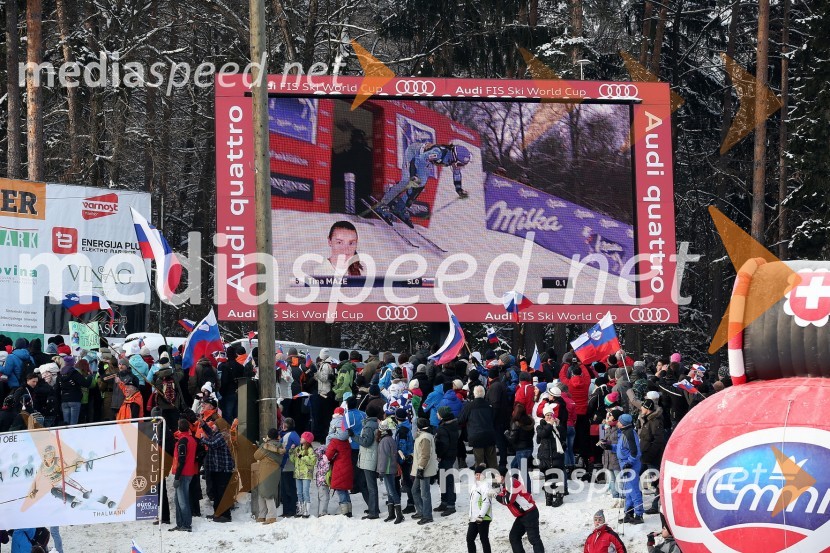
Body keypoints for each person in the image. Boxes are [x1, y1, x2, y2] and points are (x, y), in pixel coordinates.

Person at [375, 142, 472, 227]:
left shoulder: (453, 160)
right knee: (406, 181)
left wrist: (459, 190)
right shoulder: (438, 153)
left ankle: (400, 207)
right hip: (413, 154)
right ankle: (382, 204)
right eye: (459, 164)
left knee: (421, 184)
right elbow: (417, 159)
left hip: (424, 161)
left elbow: (457, 174)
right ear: (454, 157)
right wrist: (413, 176)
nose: (459, 167)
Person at [495, 473, 544, 553]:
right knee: (514, 536)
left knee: (534, 538)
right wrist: (497, 495)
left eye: (496, 476)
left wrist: (495, 496)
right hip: (523, 515)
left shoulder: (511, 483)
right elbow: (503, 497)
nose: (495, 478)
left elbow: (508, 500)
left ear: (502, 476)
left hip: (529, 513)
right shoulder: (505, 484)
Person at [200, 415, 235, 522]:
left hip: (223, 470)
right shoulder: (218, 434)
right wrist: (204, 425)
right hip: (217, 469)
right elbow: (211, 434)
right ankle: (218, 514)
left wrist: (202, 439)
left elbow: (212, 443)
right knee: (217, 493)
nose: (213, 426)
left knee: (222, 493)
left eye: (215, 424)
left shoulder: (223, 436)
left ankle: (225, 515)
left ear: (220, 426)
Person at [170, 419, 198, 532]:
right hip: (188, 472)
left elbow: (181, 460)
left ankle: (186, 525)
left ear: (179, 428)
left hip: (182, 474)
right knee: (178, 500)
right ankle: (181, 524)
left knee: (182, 501)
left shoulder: (183, 441)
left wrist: (177, 477)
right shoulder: (191, 439)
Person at [460, 385, 498, 469]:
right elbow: (494, 419)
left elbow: (461, 419)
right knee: (492, 460)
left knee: (479, 461)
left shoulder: (469, 406)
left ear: (474, 394)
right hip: (489, 434)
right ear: (484, 394)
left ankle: (480, 479)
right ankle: (496, 478)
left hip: (476, 435)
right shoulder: (490, 406)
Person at [616, 413, 644, 524]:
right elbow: (623, 449)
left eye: (619, 421)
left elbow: (635, 452)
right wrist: (609, 446)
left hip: (631, 466)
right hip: (626, 465)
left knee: (634, 491)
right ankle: (629, 513)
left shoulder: (629, 434)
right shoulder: (624, 433)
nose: (617, 423)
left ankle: (639, 514)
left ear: (622, 424)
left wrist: (629, 463)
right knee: (628, 492)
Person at [536, 403, 566, 507]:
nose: (549, 417)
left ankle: (559, 497)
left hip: (556, 455)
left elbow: (563, 437)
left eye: (550, 415)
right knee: (548, 478)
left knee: (557, 477)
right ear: (544, 416)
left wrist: (558, 426)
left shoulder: (557, 426)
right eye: (547, 415)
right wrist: (549, 425)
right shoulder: (540, 426)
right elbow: (542, 435)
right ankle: (548, 497)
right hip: (546, 457)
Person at [410, 417, 438, 524]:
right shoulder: (423, 435)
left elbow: (425, 455)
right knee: (415, 490)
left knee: (424, 493)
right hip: (420, 468)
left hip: (423, 469)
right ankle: (421, 511)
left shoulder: (425, 437)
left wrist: (421, 468)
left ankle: (427, 515)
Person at [253, 427, 284, 524]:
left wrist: (262, 445)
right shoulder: (280, 446)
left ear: (268, 436)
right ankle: (262, 516)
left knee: (266, 494)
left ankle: (271, 516)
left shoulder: (266, 446)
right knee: (265, 492)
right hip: (274, 472)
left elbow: (256, 456)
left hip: (266, 472)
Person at [376, 417, 403, 523]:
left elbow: (383, 457)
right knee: (390, 492)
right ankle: (392, 514)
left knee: (392, 492)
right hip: (391, 469)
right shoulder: (390, 439)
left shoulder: (384, 441)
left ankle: (399, 515)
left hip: (386, 470)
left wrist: (381, 471)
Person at [434, 405, 460, 516]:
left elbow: (443, 445)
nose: (437, 414)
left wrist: (439, 454)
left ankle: (450, 505)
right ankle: (444, 502)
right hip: (451, 455)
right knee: (443, 479)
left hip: (446, 456)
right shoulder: (452, 424)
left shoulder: (443, 428)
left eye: (438, 413)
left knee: (447, 481)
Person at [357, 405, 381, 519]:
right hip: (374, 456)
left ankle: (373, 512)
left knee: (370, 486)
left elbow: (366, 442)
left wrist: (354, 436)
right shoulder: (377, 424)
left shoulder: (368, 426)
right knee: (372, 486)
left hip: (368, 459)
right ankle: (374, 508)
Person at [325, 427, 354, 517]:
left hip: (339, 468)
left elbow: (328, 456)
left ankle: (344, 511)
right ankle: (349, 510)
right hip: (348, 467)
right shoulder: (347, 441)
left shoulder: (334, 441)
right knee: (344, 489)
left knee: (340, 489)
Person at [467, 464, 495, 553]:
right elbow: (472, 503)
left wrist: (481, 516)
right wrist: (471, 516)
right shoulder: (474, 486)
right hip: (474, 518)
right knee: (469, 538)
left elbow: (486, 502)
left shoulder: (486, 486)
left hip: (483, 517)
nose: (477, 476)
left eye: (479, 474)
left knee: (483, 539)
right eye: (476, 474)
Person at [507, 403, 535, 490]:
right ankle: (515, 485)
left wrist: (506, 434)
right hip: (529, 448)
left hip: (521, 450)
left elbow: (512, 439)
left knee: (523, 472)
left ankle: (528, 492)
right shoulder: (529, 421)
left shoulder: (516, 423)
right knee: (513, 465)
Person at [290, 431, 316, 518]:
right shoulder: (298, 448)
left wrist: (302, 457)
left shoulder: (310, 450)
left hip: (306, 474)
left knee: (305, 492)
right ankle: (300, 510)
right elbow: (293, 460)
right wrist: (291, 451)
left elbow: (313, 461)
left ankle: (306, 511)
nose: (300, 439)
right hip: (298, 474)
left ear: (307, 440)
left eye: (302, 437)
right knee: (299, 492)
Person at [280, 417, 301, 517]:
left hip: (288, 465)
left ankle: (292, 509)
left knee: (289, 488)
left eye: (284, 424)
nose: (283, 426)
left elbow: (299, 445)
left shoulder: (292, 435)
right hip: (284, 465)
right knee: (284, 489)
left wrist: (291, 451)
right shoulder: (286, 434)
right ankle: (286, 510)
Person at [313, 443, 332, 517]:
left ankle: (320, 512)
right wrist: (328, 463)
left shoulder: (319, 460)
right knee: (325, 498)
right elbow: (324, 470)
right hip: (323, 482)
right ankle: (322, 513)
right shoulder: (324, 460)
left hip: (320, 482)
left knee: (321, 497)